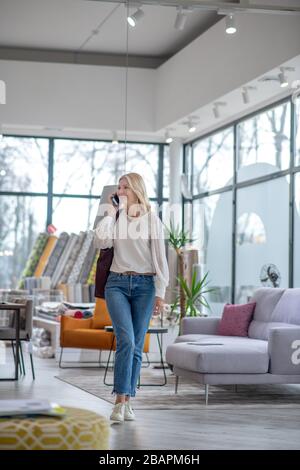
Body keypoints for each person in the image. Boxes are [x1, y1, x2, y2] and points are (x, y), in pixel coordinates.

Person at [95, 172, 169, 423]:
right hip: (116, 283)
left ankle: (128, 401)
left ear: (137, 189)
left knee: (136, 345)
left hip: (145, 286)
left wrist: (160, 293)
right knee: (126, 339)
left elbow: (160, 259)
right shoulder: (116, 217)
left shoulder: (152, 220)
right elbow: (100, 241)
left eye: (125, 187)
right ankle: (119, 401)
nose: (120, 190)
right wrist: (109, 211)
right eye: (119, 187)